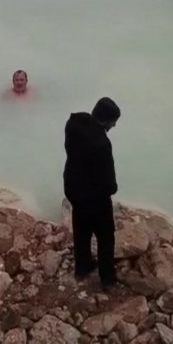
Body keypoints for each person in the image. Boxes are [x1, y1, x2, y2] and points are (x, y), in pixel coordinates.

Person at [63, 97, 121, 290]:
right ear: (105, 121)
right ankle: (107, 278)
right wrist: (112, 189)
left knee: (81, 230)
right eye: (113, 121)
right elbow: (108, 181)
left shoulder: (73, 124)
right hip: (95, 197)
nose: (114, 125)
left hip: (73, 188)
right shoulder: (102, 144)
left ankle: (82, 267)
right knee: (105, 236)